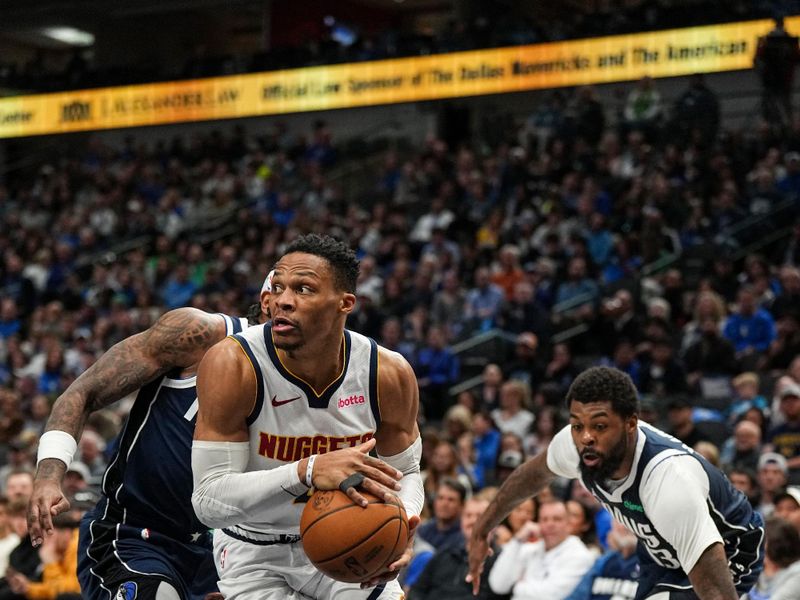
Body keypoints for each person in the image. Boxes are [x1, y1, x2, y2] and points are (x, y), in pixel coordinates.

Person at [191, 234, 424, 600]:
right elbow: (207, 502)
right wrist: (308, 470)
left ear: (344, 303)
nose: (283, 300)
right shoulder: (234, 364)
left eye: (303, 289)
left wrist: (401, 524)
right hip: (254, 547)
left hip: (351, 533)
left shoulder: (387, 372)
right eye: (279, 286)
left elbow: (407, 472)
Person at [28, 297, 265, 599]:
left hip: (228, 553)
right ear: (270, 302)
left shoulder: (314, 383)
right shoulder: (200, 334)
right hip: (136, 535)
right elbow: (82, 393)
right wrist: (48, 476)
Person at [468, 366, 765, 600]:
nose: (586, 437)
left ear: (631, 424)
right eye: (577, 425)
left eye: (599, 426)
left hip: (728, 548)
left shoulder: (667, 481)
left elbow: (715, 589)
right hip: (661, 551)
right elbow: (530, 476)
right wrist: (482, 530)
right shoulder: (576, 447)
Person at [487, 500, 595, 599]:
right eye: (544, 519)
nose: (550, 524)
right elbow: (498, 585)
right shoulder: (528, 549)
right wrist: (517, 541)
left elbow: (552, 596)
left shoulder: (580, 555)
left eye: (557, 519)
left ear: (568, 523)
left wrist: (515, 586)